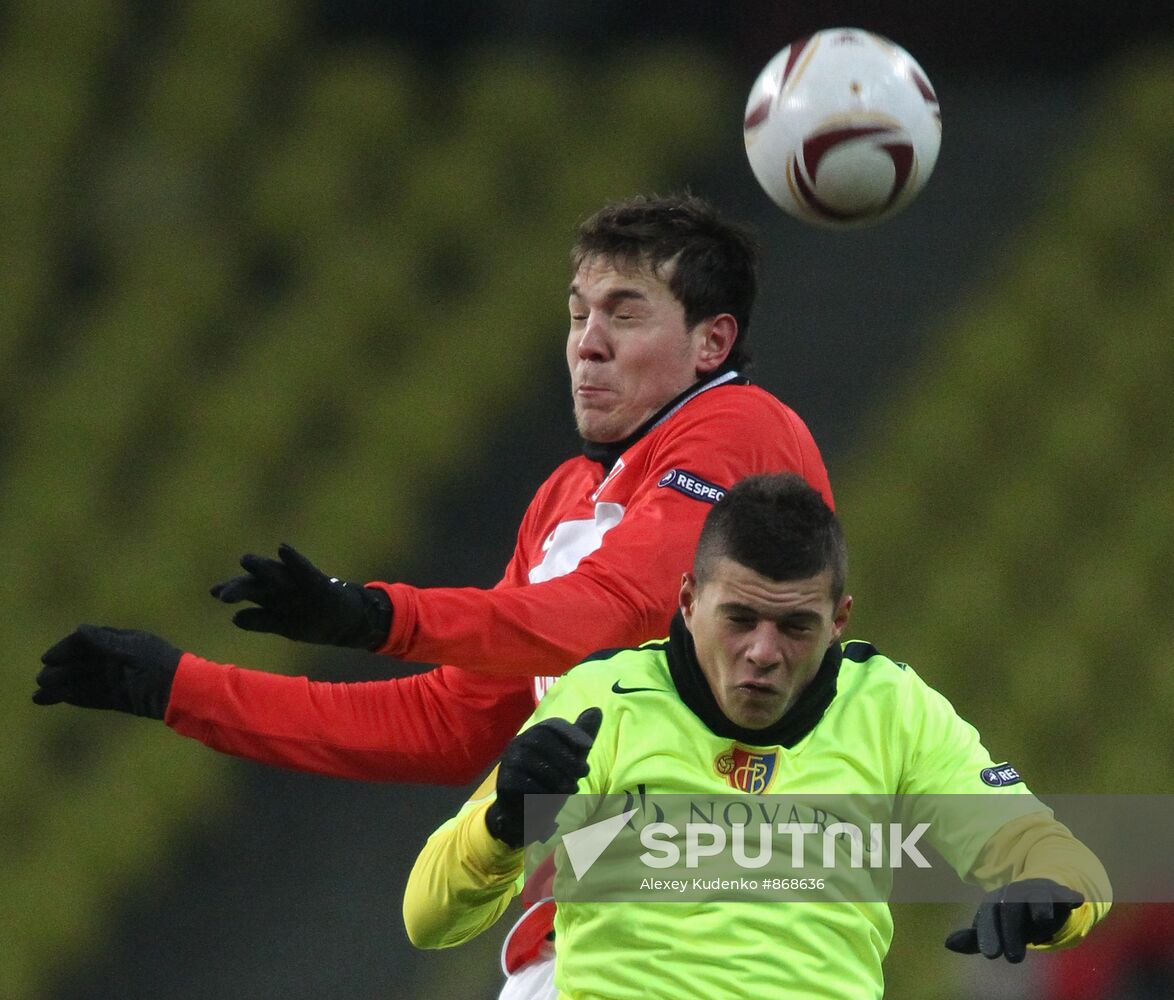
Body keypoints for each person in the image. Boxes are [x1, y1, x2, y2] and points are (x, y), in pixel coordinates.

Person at [34, 195, 833, 993]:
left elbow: (610, 608)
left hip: (720, 937)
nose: (588, 345)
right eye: (579, 312)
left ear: (711, 341)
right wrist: (180, 688)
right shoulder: (564, 502)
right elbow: (451, 722)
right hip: (585, 945)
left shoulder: (740, 429)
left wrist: (375, 615)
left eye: (625, 315)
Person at [403, 474, 1111, 1000]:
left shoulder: (893, 709)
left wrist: (1053, 896)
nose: (763, 652)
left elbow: (1053, 855)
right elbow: (427, 917)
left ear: (839, 622)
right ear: (688, 602)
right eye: (739, 618)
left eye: (795, 626)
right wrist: (500, 826)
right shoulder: (603, 702)